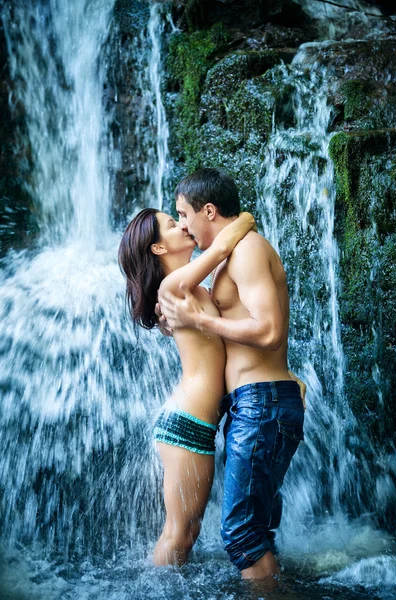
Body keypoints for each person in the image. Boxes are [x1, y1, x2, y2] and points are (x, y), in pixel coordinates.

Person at [158, 168, 306, 581]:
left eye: (183, 214)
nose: (183, 224)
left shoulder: (249, 251)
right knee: (253, 530)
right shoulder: (229, 256)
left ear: (208, 210)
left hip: (262, 401)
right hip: (255, 402)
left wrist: (200, 321)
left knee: (241, 534)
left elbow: (270, 329)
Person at [118, 207, 255, 566]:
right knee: (179, 533)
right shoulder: (172, 286)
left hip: (195, 422)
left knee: (188, 531)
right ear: (159, 249)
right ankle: (155, 590)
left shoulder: (189, 290)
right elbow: (222, 248)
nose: (182, 225)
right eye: (171, 224)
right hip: (187, 424)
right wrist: (244, 219)